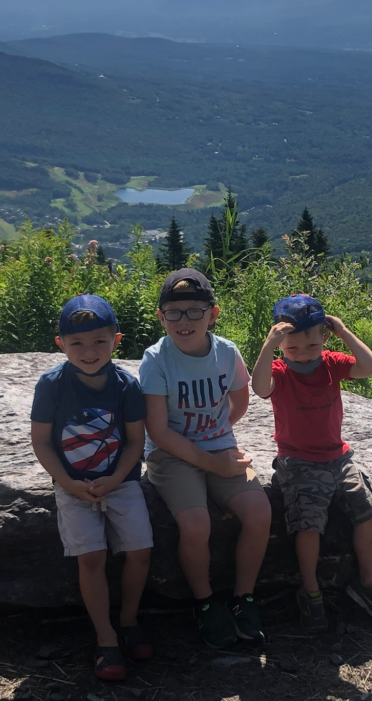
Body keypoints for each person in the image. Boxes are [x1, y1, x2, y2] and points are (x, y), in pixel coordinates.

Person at [139, 268, 272, 648]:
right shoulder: (156, 359)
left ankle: (243, 597)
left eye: (195, 311)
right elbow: (158, 431)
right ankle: (205, 602)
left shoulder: (227, 352)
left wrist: (218, 436)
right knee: (196, 525)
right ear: (161, 317)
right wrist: (212, 463)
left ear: (213, 314)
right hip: (170, 455)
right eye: (174, 313)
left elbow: (239, 401)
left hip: (221, 447)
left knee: (259, 513)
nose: (184, 321)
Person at [251, 294, 372, 633]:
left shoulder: (330, 364)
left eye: (313, 346)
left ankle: (369, 584)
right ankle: (311, 592)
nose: (303, 354)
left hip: (337, 456)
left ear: (324, 339)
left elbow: (370, 367)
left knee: (365, 511)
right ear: (281, 346)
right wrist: (268, 346)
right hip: (297, 460)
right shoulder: (280, 372)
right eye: (292, 348)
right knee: (309, 524)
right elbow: (259, 388)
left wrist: (344, 332)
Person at [30, 295, 153, 682]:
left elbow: (135, 441)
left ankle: (129, 621)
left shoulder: (126, 386)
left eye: (100, 341)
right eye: (77, 343)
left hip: (120, 481)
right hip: (72, 485)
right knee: (92, 557)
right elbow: (41, 442)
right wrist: (67, 483)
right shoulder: (51, 385)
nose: (89, 351)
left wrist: (116, 479)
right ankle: (106, 638)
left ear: (117, 341)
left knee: (140, 550)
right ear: (60, 344)